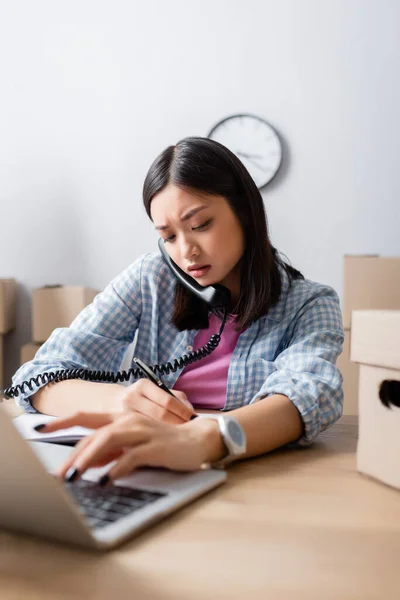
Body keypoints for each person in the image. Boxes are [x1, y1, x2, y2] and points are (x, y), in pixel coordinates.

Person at [11, 137, 344, 483]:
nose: (187, 251)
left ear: (245, 213)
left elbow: (308, 397)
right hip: (144, 471)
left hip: (249, 477)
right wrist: (120, 402)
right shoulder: (150, 279)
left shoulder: (311, 304)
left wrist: (205, 439)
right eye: (169, 236)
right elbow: (38, 375)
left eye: (200, 225)